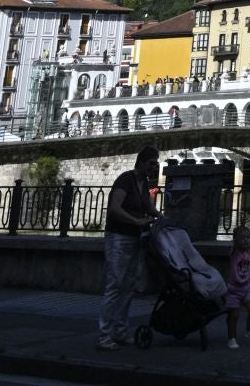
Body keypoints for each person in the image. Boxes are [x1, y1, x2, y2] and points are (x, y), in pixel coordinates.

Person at [98, 145, 159, 350]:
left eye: (156, 163)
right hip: (118, 237)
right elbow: (114, 209)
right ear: (141, 162)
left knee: (128, 287)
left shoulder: (144, 183)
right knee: (115, 285)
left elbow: (148, 206)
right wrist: (135, 221)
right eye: (151, 163)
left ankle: (121, 332)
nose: (154, 167)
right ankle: (104, 336)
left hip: (134, 240)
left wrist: (160, 216)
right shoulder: (125, 179)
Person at [225, 224, 250, 350]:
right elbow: (235, 245)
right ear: (236, 241)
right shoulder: (235, 252)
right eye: (242, 238)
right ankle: (231, 339)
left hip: (246, 288)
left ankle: (249, 330)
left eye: (248, 237)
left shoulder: (249, 251)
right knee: (234, 316)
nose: (246, 240)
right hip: (234, 290)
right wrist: (235, 242)